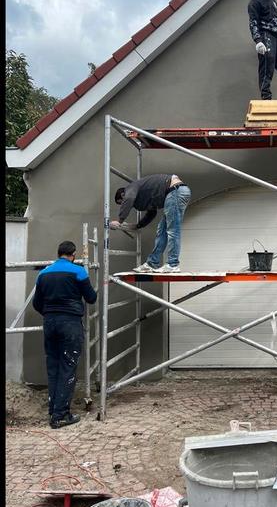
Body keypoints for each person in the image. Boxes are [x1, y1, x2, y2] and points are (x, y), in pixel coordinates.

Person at [33, 240, 97, 429]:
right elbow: (91, 298)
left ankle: (54, 410)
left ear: (58, 253)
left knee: (53, 366)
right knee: (68, 366)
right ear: (73, 255)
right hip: (69, 324)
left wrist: (50, 313)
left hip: (50, 323)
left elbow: (37, 304)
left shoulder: (44, 273)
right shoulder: (78, 271)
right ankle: (61, 415)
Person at [110, 173, 191, 273]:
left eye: (121, 202)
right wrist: (138, 225)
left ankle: (172, 264)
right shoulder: (145, 194)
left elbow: (129, 198)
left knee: (173, 230)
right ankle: (152, 263)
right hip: (174, 192)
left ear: (123, 195)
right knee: (162, 231)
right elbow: (152, 212)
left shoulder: (130, 188)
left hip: (175, 191)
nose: (124, 204)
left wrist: (119, 221)